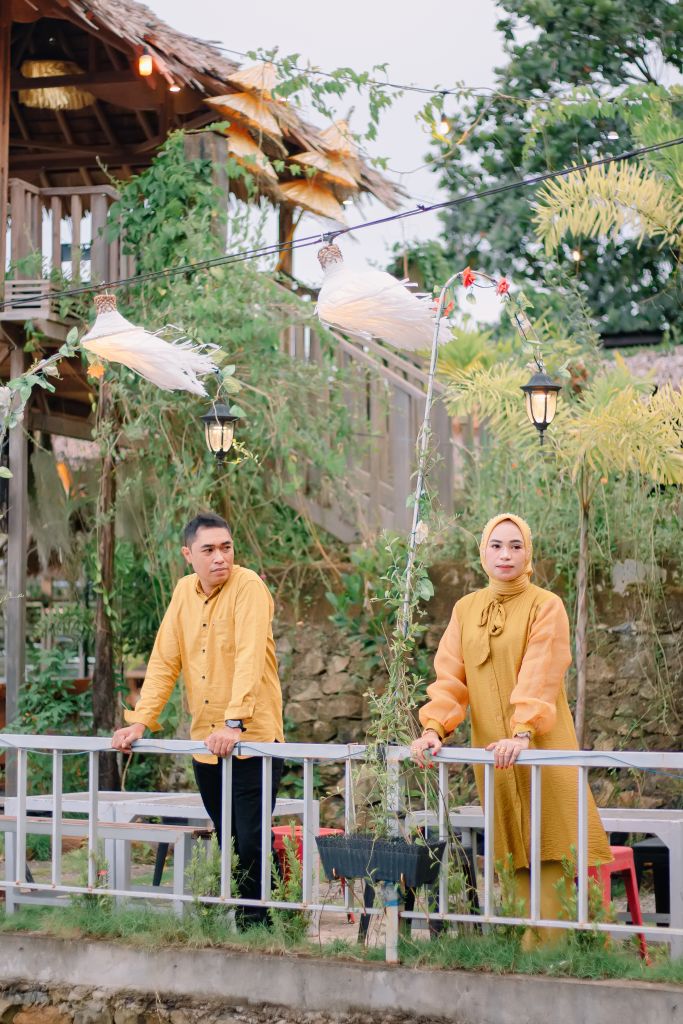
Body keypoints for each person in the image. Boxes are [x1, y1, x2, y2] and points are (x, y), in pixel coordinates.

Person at [411, 512, 611, 947]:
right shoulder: (465, 609)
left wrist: (522, 732)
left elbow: (541, 672)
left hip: (540, 747)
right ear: (482, 553)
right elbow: (450, 679)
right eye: (496, 545)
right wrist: (434, 729)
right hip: (496, 756)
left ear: (528, 554)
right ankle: (537, 950)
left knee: (554, 845)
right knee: (514, 849)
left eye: (516, 546)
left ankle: (558, 953)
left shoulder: (546, 605)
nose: (506, 554)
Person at [112, 512, 284, 926]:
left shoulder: (249, 587)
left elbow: (248, 658)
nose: (220, 557)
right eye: (208, 550)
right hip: (206, 744)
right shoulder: (182, 594)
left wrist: (234, 723)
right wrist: (140, 721)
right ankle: (264, 919)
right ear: (188, 555)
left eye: (226, 547)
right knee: (231, 839)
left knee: (251, 839)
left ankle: (260, 926)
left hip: (253, 740)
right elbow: (164, 661)